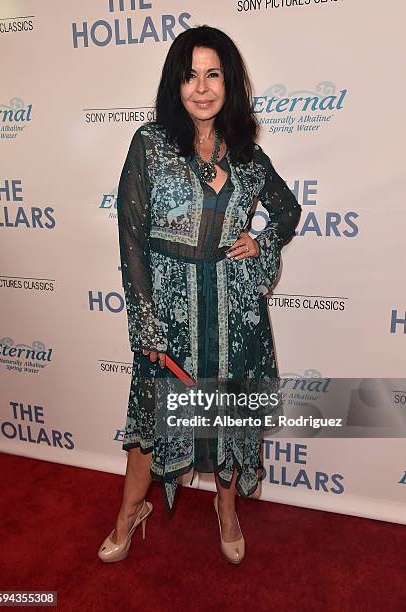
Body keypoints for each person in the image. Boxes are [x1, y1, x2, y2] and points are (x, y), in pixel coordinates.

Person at [98, 25, 302, 565]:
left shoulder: (246, 152)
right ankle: (128, 515)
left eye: (214, 74)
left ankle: (227, 512)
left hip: (234, 314)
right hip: (169, 313)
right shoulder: (150, 144)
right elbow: (131, 239)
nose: (202, 87)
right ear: (176, 82)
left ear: (229, 83)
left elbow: (287, 211)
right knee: (151, 421)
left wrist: (261, 242)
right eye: (190, 75)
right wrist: (145, 321)